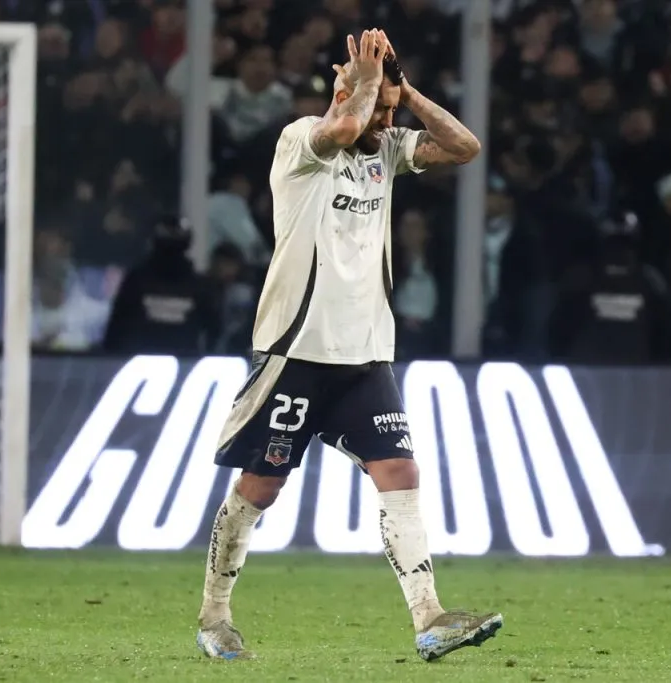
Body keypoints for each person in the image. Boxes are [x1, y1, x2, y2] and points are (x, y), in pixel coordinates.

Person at [195, 29, 501, 663]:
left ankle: (429, 617)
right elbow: (340, 130)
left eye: (389, 112)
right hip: (297, 351)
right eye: (376, 108)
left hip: (364, 356)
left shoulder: (386, 149)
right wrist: (363, 88)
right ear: (339, 92)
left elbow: (465, 147)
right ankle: (214, 615)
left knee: (400, 470)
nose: (383, 121)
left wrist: (405, 92)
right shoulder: (301, 141)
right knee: (261, 486)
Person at [102, 213, 219, 354]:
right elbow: (215, 333)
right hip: (171, 364)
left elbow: (115, 332)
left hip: (148, 363)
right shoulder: (200, 286)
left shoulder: (136, 280)